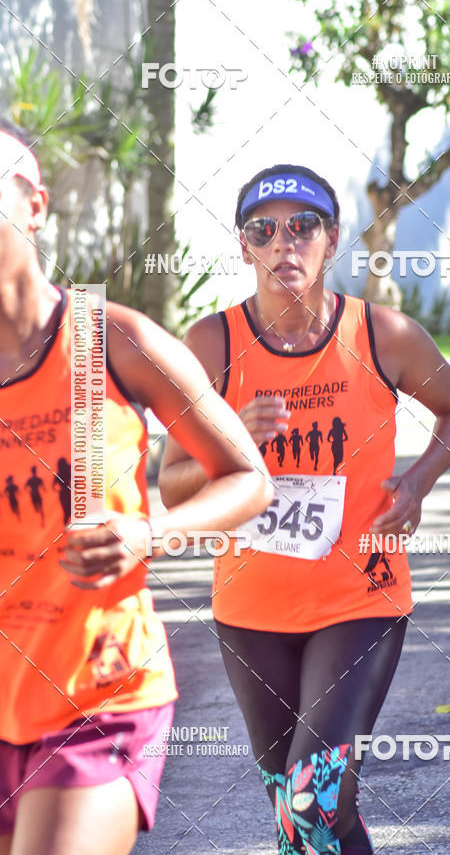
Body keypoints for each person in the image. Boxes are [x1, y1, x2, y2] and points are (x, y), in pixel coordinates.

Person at [159, 163, 450, 854]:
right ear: (244, 246)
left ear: (331, 239)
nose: (285, 244)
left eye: (303, 226)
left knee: (312, 798)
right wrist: (233, 436)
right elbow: (173, 484)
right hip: (251, 612)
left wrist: (418, 483)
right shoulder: (211, 344)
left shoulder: (382, 335)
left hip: (360, 598)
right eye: (264, 230)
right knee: (302, 812)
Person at [0, 120, 272, 855]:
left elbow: (249, 477)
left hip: (97, 694)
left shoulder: (110, 340)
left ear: (35, 204)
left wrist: (149, 532)